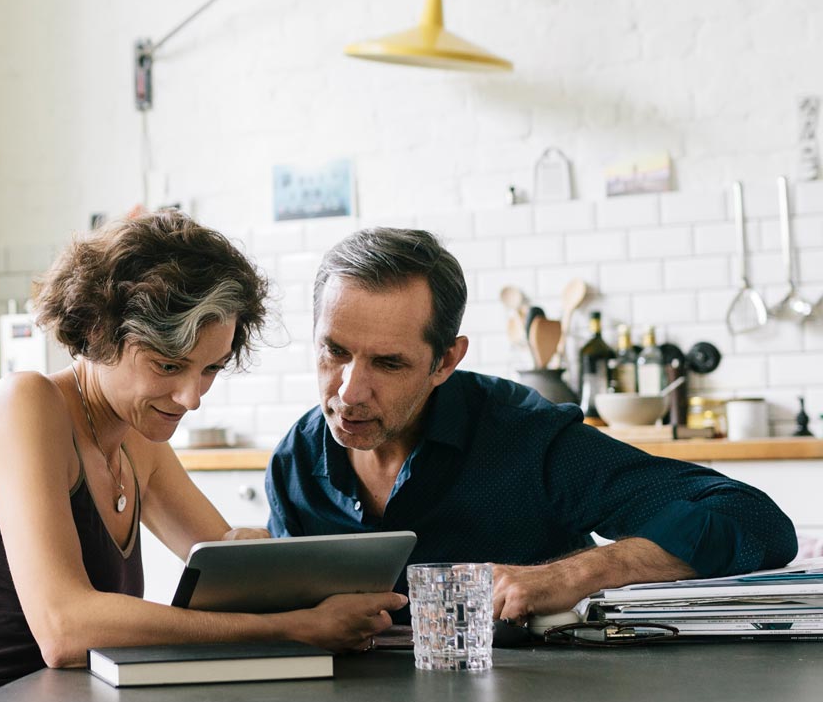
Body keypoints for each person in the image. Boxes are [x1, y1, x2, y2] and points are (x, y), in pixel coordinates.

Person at [0, 211, 403, 702]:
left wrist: (260, 563)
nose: (191, 398)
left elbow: (226, 568)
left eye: (209, 369)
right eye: (167, 365)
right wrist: (290, 626)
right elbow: (65, 630)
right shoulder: (24, 405)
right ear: (98, 331)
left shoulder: (138, 438)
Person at [265, 227, 797, 624]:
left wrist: (570, 575)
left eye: (389, 363)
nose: (349, 392)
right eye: (334, 351)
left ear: (445, 362)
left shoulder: (526, 440)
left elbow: (756, 522)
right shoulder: (295, 462)